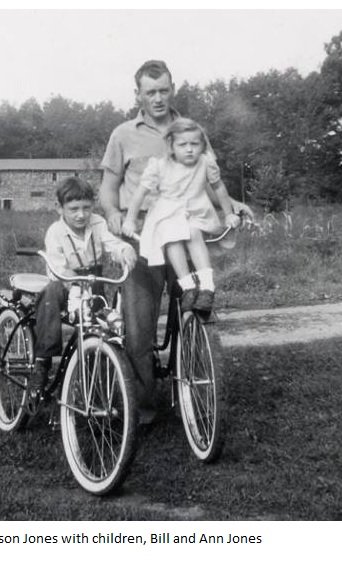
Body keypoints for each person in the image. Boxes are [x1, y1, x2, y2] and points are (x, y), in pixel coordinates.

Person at [100, 59, 253, 423]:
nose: (158, 98)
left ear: (173, 90)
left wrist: (232, 204)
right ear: (137, 94)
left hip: (185, 229)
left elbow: (209, 180)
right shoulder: (123, 134)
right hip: (143, 236)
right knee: (138, 327)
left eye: (163, 90)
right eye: (150, 92)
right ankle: (143, 407)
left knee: (197, 306)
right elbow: (108, 189)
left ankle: (198, 390)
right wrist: (113, 213)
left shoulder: (191, 130)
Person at [121, 117, 240, 312]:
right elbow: (140, 194)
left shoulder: (205, 162)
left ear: (202, 145)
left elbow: (219, 187)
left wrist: (228, 214)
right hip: (167, 214)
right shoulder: (159, 165)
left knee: (192, 231)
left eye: (195, 144)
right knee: (172, 236)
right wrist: (130, 220)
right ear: (171, 146)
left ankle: (207, 287)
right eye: (183, 145)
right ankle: (188, 286)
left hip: (197, 213)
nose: (189, 149)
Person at [30, 177, 137, 390]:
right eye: (74, 209)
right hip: (65, 283)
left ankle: (96, 374)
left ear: (93, 206)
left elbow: (111, 243)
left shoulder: (98, 223)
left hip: (93, 281)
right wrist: (74, 286)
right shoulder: (55, 231)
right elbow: (57, 267)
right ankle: (43, 359)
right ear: (60, 208)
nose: (81, 215)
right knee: (49, 294)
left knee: (104, 325)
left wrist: (124, 249)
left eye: (86, 208)